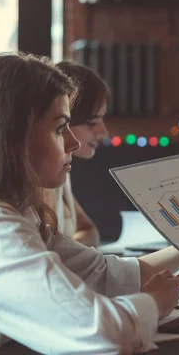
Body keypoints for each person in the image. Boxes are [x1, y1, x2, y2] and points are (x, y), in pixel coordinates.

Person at [0, 53, 179, 353]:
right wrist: (153, 303)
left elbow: (103, 273)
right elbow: (100, 334)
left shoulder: (18, 211)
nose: (72, 143)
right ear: (12, 136)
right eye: (60, 128)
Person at [53, 61, 109, 247]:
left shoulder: (61, 171)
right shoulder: (41, 179)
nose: (104, 132)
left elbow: (88, 230)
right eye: (92, 122)